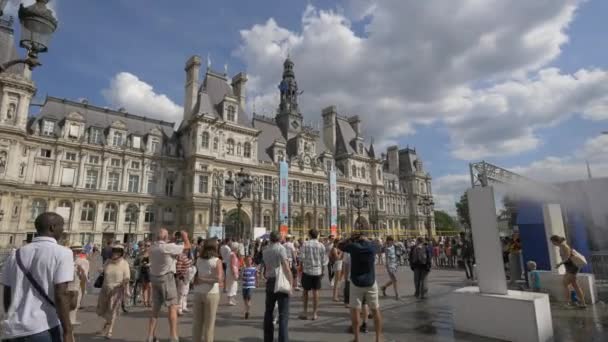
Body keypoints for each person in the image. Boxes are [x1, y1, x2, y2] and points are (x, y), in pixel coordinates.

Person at [1, 212, 75, 342]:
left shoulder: (15, 254)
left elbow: (7, 292)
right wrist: (68, 331)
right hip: (43, 327)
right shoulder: (63, 253)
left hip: (13, 329)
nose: (63, 230)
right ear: (52, 227)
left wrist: (11, 315)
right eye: (61, 227)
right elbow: (61, 294)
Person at [146, 229, 191, 342]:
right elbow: (187, 246)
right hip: (166, 278)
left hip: (154, 278)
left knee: (155, 309)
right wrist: (185, 236)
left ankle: (150, 336)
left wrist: (170, 239)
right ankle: (173, 336)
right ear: (166, 238)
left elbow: (166, 245)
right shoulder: (167, 247)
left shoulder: (152, 247)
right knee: (172, 307)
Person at [340, 232, 383, 342]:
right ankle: (378, 338)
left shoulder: (353, 247)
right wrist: (369, 240)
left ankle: (357, 338)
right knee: (375, 309)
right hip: (370, 282)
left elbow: (340, 245)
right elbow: (380, 246)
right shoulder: (372, 246)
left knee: (355, 311)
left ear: (357, 239)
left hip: (356, 282)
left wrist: (350, 238)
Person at [262, 231, 293, 342]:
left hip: (270, 281)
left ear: (270, 239)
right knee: (283, 314)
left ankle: (268, 338)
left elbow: (265, 266)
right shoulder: (281, 249)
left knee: (268, 312)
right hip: (281, 282)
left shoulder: (265, 250)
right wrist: (291, 283)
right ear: (280, 239)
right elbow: (286, 268)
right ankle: (283, 339)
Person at [192, 239, 223, 342]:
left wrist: (199, 280)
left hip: (198, 292)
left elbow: (195, 275)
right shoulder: (217, 261)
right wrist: (204, 280)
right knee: (209, 324)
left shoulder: (199, 259)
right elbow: (219, 279)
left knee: (197, 323)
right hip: (211, 293)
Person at [96, 243, 130, 338]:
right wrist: (100, 270)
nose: (115, 253)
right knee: (103, 310)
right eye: (114, 251)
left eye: (118, 251)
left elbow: (127, 277)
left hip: (117, 290)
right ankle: (107, 324)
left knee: (113, 310)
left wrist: (124, 284)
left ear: (121, 253)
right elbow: (102, 270)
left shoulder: (124, 263)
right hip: (105, 289)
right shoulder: (108, 261)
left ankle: (110, 330)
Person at [550, 235, 587, 308]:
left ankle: (568, 303)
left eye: (552, 242)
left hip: (573, 267)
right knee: (574, 285)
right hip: (569, 267)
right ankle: (582, 303)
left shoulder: (564, 246)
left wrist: (559, 264)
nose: (552, 243)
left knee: (565, 283)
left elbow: (567, 258)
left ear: (555, 241)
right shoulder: (561, 246)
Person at [299, 229, 328, 321]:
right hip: (317, 271)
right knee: (316, 292)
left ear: (309, 235)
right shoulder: (321, 245)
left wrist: (302, 266)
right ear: (317, 235)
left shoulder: (305, 244)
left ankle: (305, 312)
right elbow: (324, 261)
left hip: (307, 271)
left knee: (305, 291)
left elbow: (301, 258)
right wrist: (322, 271)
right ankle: (315, 313)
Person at [69, 244, 89, 326]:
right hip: (65, 288)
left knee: (74, 307)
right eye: (74, 251)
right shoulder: (65, 260)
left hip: (76, 288)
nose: (76, 253)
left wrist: (82, 271)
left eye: (78, 251)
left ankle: (71, 324)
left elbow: (84, 279)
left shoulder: (84, 262)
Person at [175, 235, 193, 315]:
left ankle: (183, 306)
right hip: (182, 277)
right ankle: (179, 309)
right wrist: (180, 276)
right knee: (181, 293)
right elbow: (178, 267)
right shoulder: (180, 256)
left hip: (186, 276)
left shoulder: (184, 255)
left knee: (185, 292)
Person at [381, 236, 399, 300]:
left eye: (392, 240)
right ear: (388, 241)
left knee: (393, 280)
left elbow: (395, 254)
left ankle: (384, 287)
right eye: (391, 240)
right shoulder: (386, 248)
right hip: (390, 265)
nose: (392, 242)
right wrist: (387, 266)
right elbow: (386, 258)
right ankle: (397, 294)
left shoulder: (394, 246)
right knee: (395, 280)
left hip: (394, 264)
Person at [135, 242, 152, 307]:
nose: (147, 247)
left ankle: (149, 301)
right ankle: (145, 301)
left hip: (150, 271)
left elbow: (155, 263)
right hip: (142, 271)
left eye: (148, 245)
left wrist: (149, 264)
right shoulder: (140, 254)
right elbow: (136, 262)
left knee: (150, 286)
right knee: (144, 287)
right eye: (146, 245)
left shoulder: (152, 254)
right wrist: (140, 264)